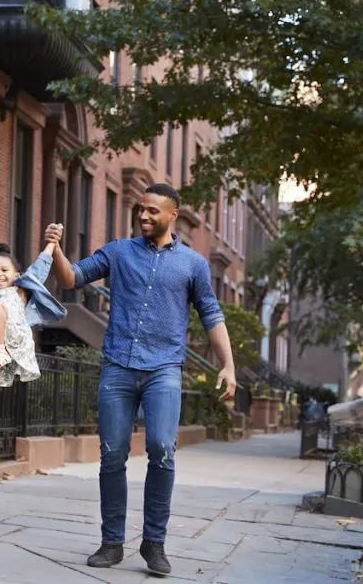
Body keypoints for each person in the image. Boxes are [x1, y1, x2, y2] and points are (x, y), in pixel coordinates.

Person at [49, 184, 237, 576]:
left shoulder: (193, 264)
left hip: (164, 368)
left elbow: (211, 314)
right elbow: (71, 278)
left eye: (153, 211)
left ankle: (154, 543)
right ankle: (112, 543)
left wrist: (228, 365)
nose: (144, 216)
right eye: (141, 210)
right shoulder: (119, 252)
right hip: (118, 364)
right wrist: (55, 248)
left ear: (173, 215)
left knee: (161, 448)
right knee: (112, 454)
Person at [0, 226, 66, 389]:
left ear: (16, 274)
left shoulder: (21, 288)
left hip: (15, 340)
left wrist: (52, 242)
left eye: (4, 270)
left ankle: (0, 350)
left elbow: (40, 265)